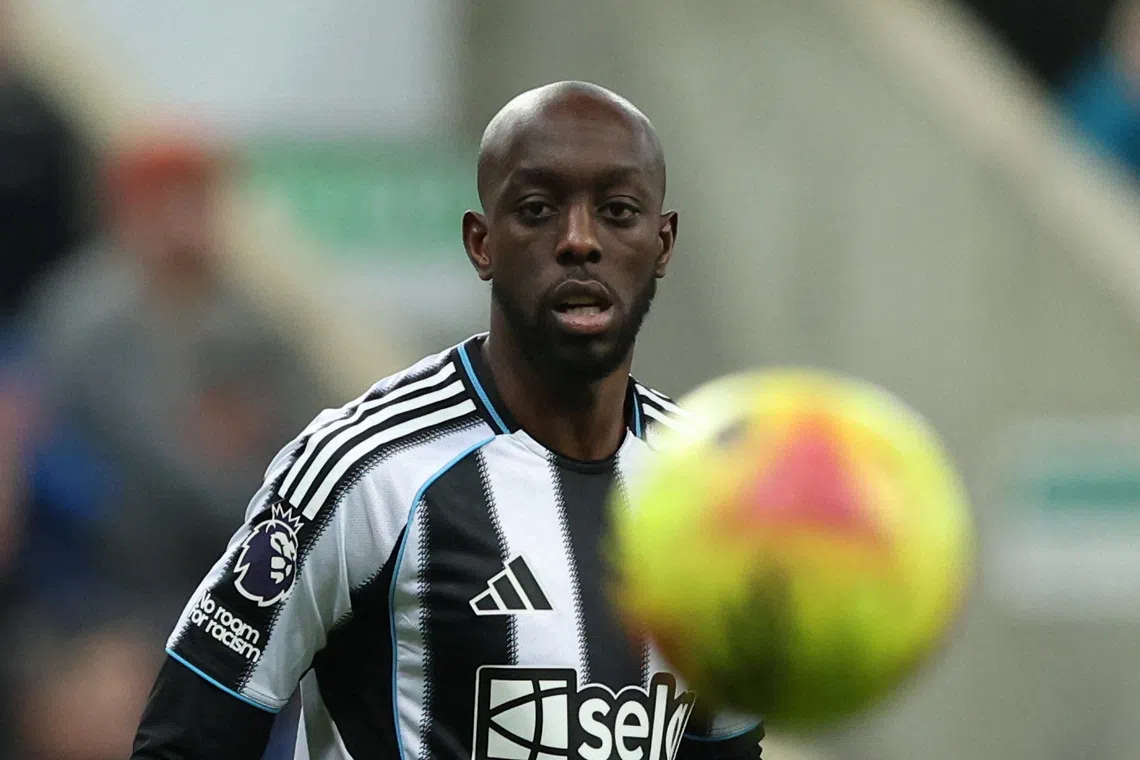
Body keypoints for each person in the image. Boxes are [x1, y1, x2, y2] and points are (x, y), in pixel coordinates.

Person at [130, 81, 764, 759]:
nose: (580, 240)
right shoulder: (364, 469)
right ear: (481, 242)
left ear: (662, 243)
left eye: (617, 210)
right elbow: (184, 739)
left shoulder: (714, 493)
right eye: (538, 209)